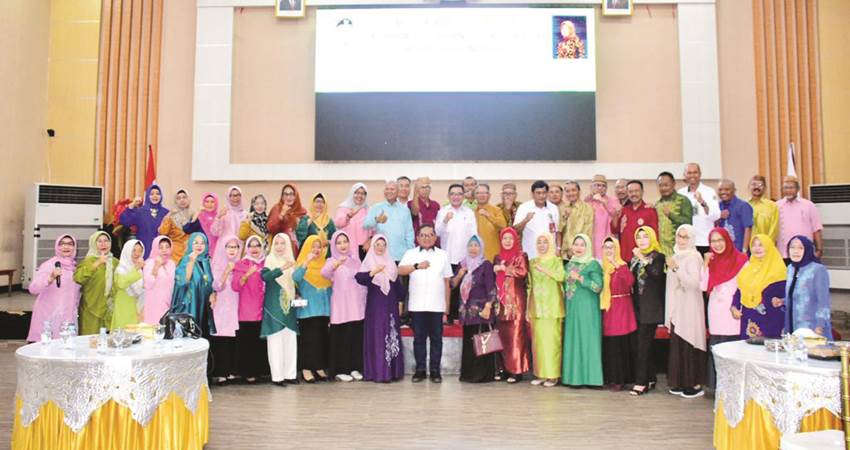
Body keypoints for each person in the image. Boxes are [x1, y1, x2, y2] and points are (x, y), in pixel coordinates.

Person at [398, 224, 453, 383]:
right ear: (418, 238)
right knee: (419, 339)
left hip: (437, 305)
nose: (427, 238)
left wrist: (446, 307)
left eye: (430, 235)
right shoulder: (411, 253)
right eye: (423, 235)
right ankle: (420, 370)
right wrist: (416, 266)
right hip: (417, 305)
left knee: (437, 339)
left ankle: (435, 370)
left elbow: (447, 281)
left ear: (435, 237)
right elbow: (399, 270)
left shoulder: (443, 254)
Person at [701, 227, 747, 390]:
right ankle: (716, 386)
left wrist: (737, 305)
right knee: (716, 346)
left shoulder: (741, 259)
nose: (717, 244)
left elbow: (745, 286)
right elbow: (703, 285)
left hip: (733, 310)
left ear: (727, 240)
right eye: (713, 241)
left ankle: (733, 386)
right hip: (715, 309)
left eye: (720, 240)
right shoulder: (711, 261)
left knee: (732, 346)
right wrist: (705, 264)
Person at [664, 225, 707, 399]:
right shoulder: (675, 256)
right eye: (679, 236)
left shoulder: (694, 257)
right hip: (677, 306)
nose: (681, 240)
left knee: (690, 341)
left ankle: (694, 383)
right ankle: (680, 381)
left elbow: (694, 283)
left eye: (685, 237)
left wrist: (676, 269)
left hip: (690, 306)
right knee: (679, 344)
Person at [356, 235, 405, 382]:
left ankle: (393, 371)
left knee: (391, 334)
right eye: (377, 244)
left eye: (383, 244)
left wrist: (401, 302)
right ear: (372, 246)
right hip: (375, 307)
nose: (380, 247)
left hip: (391, 306)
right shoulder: (369, 263)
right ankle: (378, 372)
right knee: (377, 335)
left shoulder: (391, 265)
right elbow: (359, 278)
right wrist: (373, 272)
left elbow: (399, 289)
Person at [321, 231, 368, 382]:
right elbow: (324, 273)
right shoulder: (331, 261)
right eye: (339, 242)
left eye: (345, 242)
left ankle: (354, 367)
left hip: (356, 305)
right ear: (334, 245)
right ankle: (340, 370)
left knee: (355, 337)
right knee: (340, 338)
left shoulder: (356, 260)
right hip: (341, 307)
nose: (343, 245)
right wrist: (336, 264)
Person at [452, 236, 498, 383]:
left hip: (481, 311)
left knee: (482, 342)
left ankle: (482, 375)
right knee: (469, 342)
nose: (473, 248)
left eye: (476, 245)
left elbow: (492, 287)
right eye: (470, 245)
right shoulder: (463, 265)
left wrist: (488, 306)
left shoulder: (486, 265)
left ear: (481, 248)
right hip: (466, 312)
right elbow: (453, 285)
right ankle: (468, 374)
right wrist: (460, 274)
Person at [562, 234, 604, 387]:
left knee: (588, 340)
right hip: (572, 307)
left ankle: (591, 379)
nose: (578, 248)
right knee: (574, 339)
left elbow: (598, 287)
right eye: (576, 244)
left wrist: (581, 279)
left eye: (582, 245)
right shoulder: (569, 264)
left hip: (587, 308)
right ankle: (573, 379)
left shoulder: (593, 264)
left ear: (588, 247)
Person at [629, 226, 666, 396]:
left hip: (651, 308)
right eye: (639, 237)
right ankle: (650, 377)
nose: (642, 240)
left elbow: (656, 274)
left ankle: (641, 382)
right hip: (636, 307)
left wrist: (643, 259)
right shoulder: (634, 259)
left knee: (642, 346)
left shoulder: (659, 257)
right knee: (642, 345)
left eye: (645, 237)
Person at [261, 233, 300, 386]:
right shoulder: (269, 260)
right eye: (276, 243)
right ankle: (277, 377)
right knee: (275, 341)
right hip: (274, 307)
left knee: (290, 340)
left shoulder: (292, 261)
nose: (279, 246)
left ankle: (290, 374)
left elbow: (295, 283)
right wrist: (282, 268)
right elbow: (265, 277)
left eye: (282, 243)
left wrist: (297, 294)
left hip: (289, 306)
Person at [527, 233, 565, 387]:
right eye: (539, 242)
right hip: (537, 307)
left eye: (545, 242)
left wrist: (545, 270)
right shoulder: (532, 262)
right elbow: (529, 285)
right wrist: (527, 309)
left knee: (552, 342)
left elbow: (562, 276)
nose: (542, 245)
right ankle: (541, 374)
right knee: (539, 343)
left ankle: (553, 375)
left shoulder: (556, 261)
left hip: (552, 307)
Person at [293, 235, 333, 383]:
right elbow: (295, 278)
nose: (316, 250)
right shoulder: (302, 264)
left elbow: (330, 289)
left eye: (319, 247)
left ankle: (319, 367)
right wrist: (306, 262)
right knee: (308, 341)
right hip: (307, 311)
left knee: (321, 340)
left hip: (323, 310)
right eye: (313, 246)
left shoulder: (325, 265)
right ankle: (306, 369)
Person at [27, 235, 81, 342]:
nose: (66, 247)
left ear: (74, 248)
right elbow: (33, 289)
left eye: (70, 244)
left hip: (68, 317)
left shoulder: (75, 268)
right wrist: (50, 278)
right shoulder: (49, 265)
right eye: (62, 243)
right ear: (57, 246)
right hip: (49, 316)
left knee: (65, 351)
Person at [493, 227, 530, 384]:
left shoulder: (521, 256)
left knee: (515, 335)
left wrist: (504, 268)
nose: (507, 241)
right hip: (500, 302)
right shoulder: (497, 257)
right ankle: (503, 369)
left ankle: (516, 370)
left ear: (515, 240)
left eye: (510, 238)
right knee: (501, 336)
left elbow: (523, 272)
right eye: (504, 238)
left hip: (516, 301)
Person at [436, 184, 477, 323]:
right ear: (448, 196)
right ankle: (447, 316)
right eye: (453, 194)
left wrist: (472, 257)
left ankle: (461, 318)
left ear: (463, 196)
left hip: (464, 258)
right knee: (448, 288)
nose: (456, 196)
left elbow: (474, 236)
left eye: (459, 194)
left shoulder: (469, 213)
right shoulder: (443, 211)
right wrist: (445, 220)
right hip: (447, 257)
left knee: (463, 289)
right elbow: (437, 232)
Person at [600, 237, 637, 391]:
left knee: (620, 344)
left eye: (612, 247)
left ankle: (620, 378)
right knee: (609, 345)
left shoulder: (622, 265)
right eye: (606, 247)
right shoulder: (601, 266)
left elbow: (630, 282)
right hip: (607, 308)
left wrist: (617, 266)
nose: (609, 250)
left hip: (621, 308)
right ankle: (610, 377)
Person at [231, 235, 269, 384]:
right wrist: (247, 274)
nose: (254, 249)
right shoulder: (241, 264)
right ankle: (248, 372)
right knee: (248, 343)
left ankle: (261, 371)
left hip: (264, 309)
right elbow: (235, 286)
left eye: (257, 245)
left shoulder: (266, 263)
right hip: (247, 310)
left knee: (260, 343)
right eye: (251, 245)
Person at [733, 235, 787, 339]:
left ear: (769, 247)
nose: (757, 248)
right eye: (754, 245)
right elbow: (740, 291)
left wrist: (781, 300)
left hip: (771, 321)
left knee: (766, 354)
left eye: (761, 245)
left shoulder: (778, 269)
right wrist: (734, 307)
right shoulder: (747, 269)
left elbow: (786, 296)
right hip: (749, 320)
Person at [783, 236, 832, 338]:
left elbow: (823, 301)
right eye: (792, 247)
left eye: (800, 248)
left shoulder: (818, 270)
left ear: (808, 249)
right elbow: (797, 296)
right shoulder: (790, 269)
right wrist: (782, 301)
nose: (795, 251)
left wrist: (820, 325)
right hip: (792, 326)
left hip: (812, 328)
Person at [210, 235, 242, 385]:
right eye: (229, 247)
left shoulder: (240, 264)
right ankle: (221, 373)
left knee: (233, 337)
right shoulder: (216, 264)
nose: (232, 250)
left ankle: (231, 371)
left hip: (235, 305)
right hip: (221, 305)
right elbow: (216, 286)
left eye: (235, 247)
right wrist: (226, 271)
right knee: (222, 337)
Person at [171, 232, 216, 336]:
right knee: (191, 337)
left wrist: (213, 293)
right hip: (190, 305)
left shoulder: (206, 261)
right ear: (191, 244)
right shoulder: (186, 259)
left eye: (202, 243)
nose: (199, 246)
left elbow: (210, 282)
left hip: (205, 306)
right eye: (196, 243)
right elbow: (182, 282)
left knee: (204, 338)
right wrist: (191, 262)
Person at [74, 231, 119, 335]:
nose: (104, 244)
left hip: (109, 309)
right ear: (94, 244)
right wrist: (97, 263)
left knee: (108, 343)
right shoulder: (88, 261)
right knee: (90, 343)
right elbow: (78, 278)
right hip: (91, 308)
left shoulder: (115, 262)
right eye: (99, 241)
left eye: (106, 241)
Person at [363, 180, 415, 263]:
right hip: (380, 255)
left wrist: (411, 253)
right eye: (387, 189)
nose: (389, 191)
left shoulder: (405, 210)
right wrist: (376, 220)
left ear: (398, 191)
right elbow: (365, 225)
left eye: (392, 189)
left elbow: (409, 234)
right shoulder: (376, 207)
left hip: (400, 256)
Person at [777, 176, 824, 261]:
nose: (788, 190)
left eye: (792, 188)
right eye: (786, 188)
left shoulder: (809, 205)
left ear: (798, 189)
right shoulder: (776, 206)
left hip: (805, 252)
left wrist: (819, 249)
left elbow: (817, 228)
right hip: (783, 253)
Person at [678, 163, 721, 254]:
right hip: (686, 242)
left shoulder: (709, 191)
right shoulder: (680, 193)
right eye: (689, 173)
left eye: (695, 172)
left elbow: (716, 216)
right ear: (685, 175)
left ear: (700, 174)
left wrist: (702, 202)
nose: (692, 175)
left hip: (704, 241)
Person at [119, 184, 168, 258]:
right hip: (144, 250)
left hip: (161, 250)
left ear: (161, 196)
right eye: (152, 194)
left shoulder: (166, 213)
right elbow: (125, 221)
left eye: (157, 194)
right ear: (147, 196)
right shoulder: (140, 211)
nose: (155, 196)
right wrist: (132, 205)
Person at [514, 180, 560, 259]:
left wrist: (558, 248)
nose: (541, 196)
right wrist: (525, 220)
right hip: (531, 253)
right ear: (532, 194)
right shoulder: (524, 207)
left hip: (550, 254)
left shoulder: (553, 208)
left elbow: (557, 231)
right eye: (538, 193)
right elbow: (515, 230)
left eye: (544, 192)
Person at [615, 180, 659, 262]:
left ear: (642, 192)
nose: (633, 194)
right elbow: (615, 230)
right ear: (627, 193)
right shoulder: (624, 210)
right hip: (625, 258)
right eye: (630, 191)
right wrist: (615, 215)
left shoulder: (650, 211)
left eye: (636, 191)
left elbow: (654, 236)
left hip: (642, 258)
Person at [654, 172, 693, 258]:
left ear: (674, 184)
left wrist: (671, 215)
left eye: (666, 185)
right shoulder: (657, 204)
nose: (663, 188)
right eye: (660, 185)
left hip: (679, 250)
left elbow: (688, 223)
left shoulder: (683, 201)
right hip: (661, 252)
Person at [585, 175, 622, 258]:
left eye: (603, 186)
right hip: (592, 243)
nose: (600, 188)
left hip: (607, 242)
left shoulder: (613, 201)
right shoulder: (587, 202)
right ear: (591, 187)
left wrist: (604, 202)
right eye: (597, 185)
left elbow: (617, 217)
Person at [111, 240, 145, 329]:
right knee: (122, 337)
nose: (137, 254)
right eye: (134, 250)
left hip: (137, 310)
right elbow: (121, 284)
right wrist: (136, 268)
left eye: (140, 250)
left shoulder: (140, 270)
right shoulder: (121, 269)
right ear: (127, 251)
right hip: (124, 308)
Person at [142, 236, 176, 324]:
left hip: (168, 305)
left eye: (167, 247)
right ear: (155, 249)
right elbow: (148, 284)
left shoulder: (172, 264)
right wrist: (156, 266)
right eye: (161, 247)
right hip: (154, 304)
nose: (164, 250)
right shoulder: (149, 263)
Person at [334, 182, 372, 259]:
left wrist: (370, 240)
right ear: (352, 193)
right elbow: (338, 224)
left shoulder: (368, 210)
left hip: (364, 248)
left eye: (363, 193)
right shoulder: (343, 208)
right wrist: (348, 216)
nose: (360, 196)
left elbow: (374, 229)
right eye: (357, 193)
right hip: (347, 247)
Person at [267, 184, 308, 255]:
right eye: (285, 194)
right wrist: (281, 215)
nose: (288, 197)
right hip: (280, 249)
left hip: (297, 249)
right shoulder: (277, 208)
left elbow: (304, 234)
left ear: (296, 195)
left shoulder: (301, 211)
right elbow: (270, 228)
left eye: (292, 194)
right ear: (282, 196)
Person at [211, 186, 247, 267]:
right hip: (224, 248)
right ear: (228, 197)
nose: (235, 198)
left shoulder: (245, 214)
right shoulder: (224, 212)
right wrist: (219, 217)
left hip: (239, 248)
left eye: (238, 195)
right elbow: (215, 232)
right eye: (232, 195)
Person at [716, 180, 753, 252]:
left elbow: (748, 229)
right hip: (723, 250)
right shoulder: (717, 206)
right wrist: (718, 216)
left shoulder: (743, 206)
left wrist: (744, 251)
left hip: (738, 250)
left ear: (734, 190)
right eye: (720, 190)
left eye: (727, 189)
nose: (723, 192)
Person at [559, 181, 593, 260]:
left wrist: (574, 249)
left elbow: (587, 232)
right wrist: (564, 217)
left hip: (580, 252)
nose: (570, 193)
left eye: (573, 190)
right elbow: (559, 230)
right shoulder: (563, 208)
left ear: (579, 191)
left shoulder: (587, 208)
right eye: (567, 191)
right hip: (565, 254)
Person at [474, 184, 507, 261]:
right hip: (475, 256)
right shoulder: (471, 212)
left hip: (492, 256)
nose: (482, 195)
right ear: (475, 195)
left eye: (484, 193)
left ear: (489, 195)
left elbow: (503, 226)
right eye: (478, 193)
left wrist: (489, 216)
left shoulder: (496, 210)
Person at [158, 189, 193, 262]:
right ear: (175, 201)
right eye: (178, 198)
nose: (182, 200)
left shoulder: (193, 214)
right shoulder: (171, 216)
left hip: (190, 250)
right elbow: (162, 232)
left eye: (184, 197)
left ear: (188, 199)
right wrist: (169, 215)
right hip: (175, 252)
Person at [408, 177, 440, 244]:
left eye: (427, 187)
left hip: (433, 244)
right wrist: (415, 194)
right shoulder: (411, 204)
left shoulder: (436, 205)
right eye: (422, 187)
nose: (425, 189)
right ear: (417, 189)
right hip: (418, 244)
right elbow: (415, 212)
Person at [748, 175, 779, 244]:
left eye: (760, 185)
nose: (757, 187)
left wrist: (766, 244)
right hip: (746, 247)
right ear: (749, 187)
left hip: (765, 246)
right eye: (754, 184)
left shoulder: (772, 206)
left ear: (765, 188)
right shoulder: (744, 205)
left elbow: (774, 229)